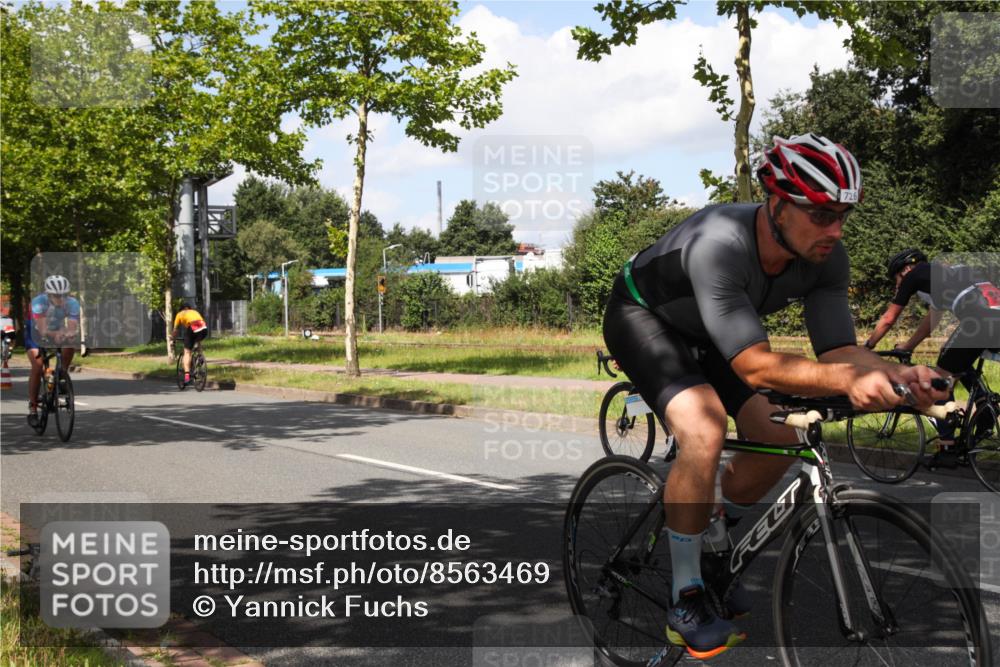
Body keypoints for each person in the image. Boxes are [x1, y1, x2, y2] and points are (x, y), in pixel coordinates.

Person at [602, 133, 947, 659]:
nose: (835, 230)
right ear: (779, 205)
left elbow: (837, 353)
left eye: (843, 217)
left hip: (710, 333)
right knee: (705, 428)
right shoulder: (720, 241)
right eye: (822, 214)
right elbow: (755, 366)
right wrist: (850, 383)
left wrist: (904, 376)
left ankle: (715, 541)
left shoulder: (827, 257)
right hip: (643, 318)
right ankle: (686, 595)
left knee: (772, 432)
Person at [864, 249, 1000, 466]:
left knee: (939, 379)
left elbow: (889, 318)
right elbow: (930, 323)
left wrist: (867, 346)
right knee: (954, 359)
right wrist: (908, 346)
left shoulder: (914, 275)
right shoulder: (953, 274)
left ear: (906, 269)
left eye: (897, 278)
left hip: (979, 321)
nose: (899, 283)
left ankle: (946, 449)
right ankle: (985, 407)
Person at [25, 275, 81, 426]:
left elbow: (72, 326)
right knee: (37, 366)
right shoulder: (38, 303)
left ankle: (61, 373)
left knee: (70, 343)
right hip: (35, 332)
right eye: (56, 295)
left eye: (64, 295)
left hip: (56, 328)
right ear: (48, 294)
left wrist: (68, 333)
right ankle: (33, 408)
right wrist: (55, 334)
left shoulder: (73, 303)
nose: (60, 298)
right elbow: (42, 330)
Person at [172, 303, 208, 386]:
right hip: (204, 328)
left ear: (181, 309)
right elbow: (200, 323)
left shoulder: (179, 314)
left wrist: (173, 340)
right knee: (198, 340)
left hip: (192, 327)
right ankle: (200, 357)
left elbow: (175, 330)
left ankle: (187, 377)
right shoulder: (194, 312)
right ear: (189, 308)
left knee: (187, 352)